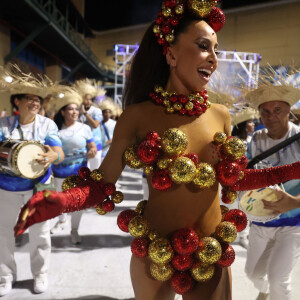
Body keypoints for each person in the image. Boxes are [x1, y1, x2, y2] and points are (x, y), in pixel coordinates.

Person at [12, 2, 300, 300]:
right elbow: (102, 185)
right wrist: (61, 201)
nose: (213, 59)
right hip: (154, 253)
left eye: (216, 49)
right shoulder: (137, 116)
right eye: (203, 46)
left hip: (210, 252)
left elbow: (235, 180)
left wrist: (294, 170)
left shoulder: (221, 115)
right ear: (171, 54)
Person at [0, 67, 64, 296]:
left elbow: (59, 152)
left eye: (38, 100)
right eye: (30, 99)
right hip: (6, 188)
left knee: (40, 232)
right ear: (17, 101)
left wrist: (53, 156)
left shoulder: (46, 125)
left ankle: (40, 274)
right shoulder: (4, 124)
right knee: (3, 233)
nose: (35, 103)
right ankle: (6, 276)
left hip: (38, 187)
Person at [244, 74, 300, 300]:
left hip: (294, 223)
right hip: (261, 221)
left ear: (289, 111)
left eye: (277, 109)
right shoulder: (256, 140)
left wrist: (295, 202)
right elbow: (247, 176)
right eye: (265, 111)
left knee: (279, 280)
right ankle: (264, 292)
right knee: (252, 274)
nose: (271, 116)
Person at [50, 88, 97, 244]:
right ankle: (62, 221)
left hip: (79, 173)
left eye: (77, 109)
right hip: (59, 173)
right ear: (63, 112)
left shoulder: (84, 128)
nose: (75, 112)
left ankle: (74, 230)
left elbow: (93, 147)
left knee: (78, 202)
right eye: (71, 109)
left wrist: (92, 152)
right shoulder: (54, 129)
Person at [76, 79, 103, 170]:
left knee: (95, 171)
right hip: (83, 147)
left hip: (96, 146)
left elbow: (95, 125)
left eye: (90, 99)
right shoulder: (77, 111)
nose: (88, 101)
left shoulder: (96, 110)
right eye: (86, 99)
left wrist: (85, 114)